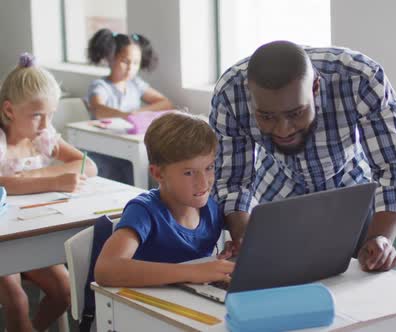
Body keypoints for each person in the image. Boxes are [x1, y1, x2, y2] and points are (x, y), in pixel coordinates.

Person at [209, 40, 396, 272]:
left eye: (295, 113)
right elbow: (231, 181)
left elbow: (394, 165)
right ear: (249, 93)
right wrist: (245, 236)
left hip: (351, 190)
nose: (283, 129)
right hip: (277, 190)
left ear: (315, 87)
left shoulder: (360, 78)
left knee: (360, 286)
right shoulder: (230, 92)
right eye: (267, 117)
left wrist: (381, 238)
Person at [0, 53, 97, 332]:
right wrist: (52, 181)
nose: (45, 125)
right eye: (37, 116)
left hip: (33, 230)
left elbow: (86, 164)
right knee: (17, 300)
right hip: (3, 240)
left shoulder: (43, 137)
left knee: (65, 290)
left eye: (50, 115)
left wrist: (37, 175)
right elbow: (2, 183)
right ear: (9, 111)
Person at [95, 112, 234, 287]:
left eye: (209, 167)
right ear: (158, 173)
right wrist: (194, 272)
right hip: (142, 308)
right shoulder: (144, 211)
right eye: (188, 173)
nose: (203, 182)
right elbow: (106, 270)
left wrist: (231, 251)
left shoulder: (212, 207)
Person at [85, 28, 173, 185]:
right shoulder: (100, 86)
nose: (130, 67)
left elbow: (165, 103)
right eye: (125, 61)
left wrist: (137, 113)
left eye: (136, 63)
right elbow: (98, 109)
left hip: (130, 147)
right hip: (104, 150)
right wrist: (125, 115)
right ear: (110, 58)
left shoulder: (135, 84)